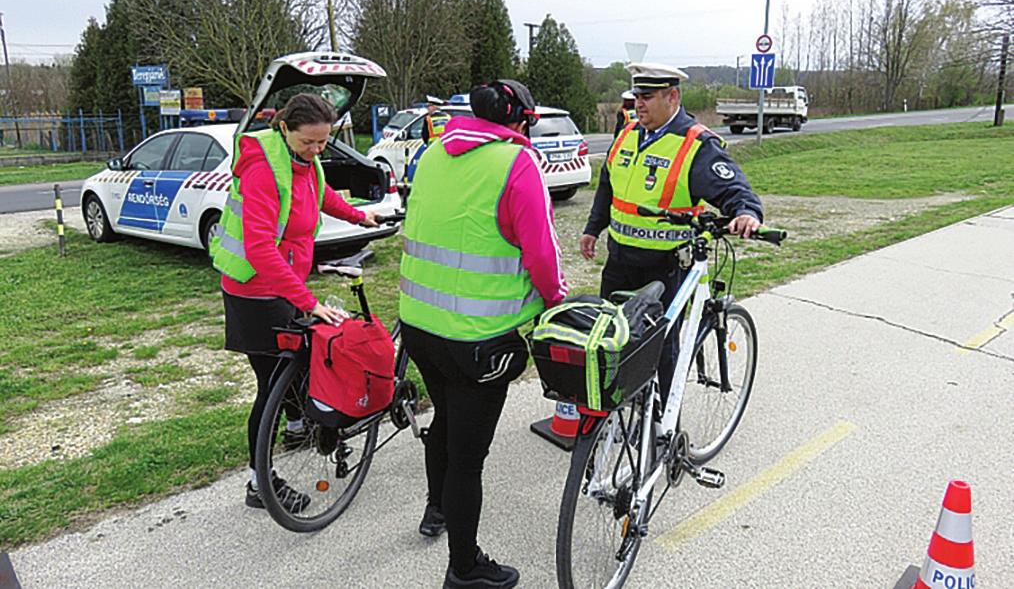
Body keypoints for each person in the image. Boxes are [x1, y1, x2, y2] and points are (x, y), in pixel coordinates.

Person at [399, 80, 567, 589]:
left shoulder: (432, 153)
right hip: (481, 337)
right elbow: (541, 253)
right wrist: (558, 301)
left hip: (418, 324)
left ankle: (436, 510)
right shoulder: (516, 164)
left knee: (444, 422)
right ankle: (465, 567)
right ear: (522, 120)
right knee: (469, 458)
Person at [211, 92, 379, 511]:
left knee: (295, 365)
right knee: (270, 385)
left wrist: (363, 216)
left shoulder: (303, 161)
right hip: (255, 290)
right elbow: (260, 248)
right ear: (284, 128)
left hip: (282, 284)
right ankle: (258, 482)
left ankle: (297, 425)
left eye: (324, 142)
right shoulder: (264, 170)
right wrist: (308, 301)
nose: (318, 149)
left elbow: (321, 196)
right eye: (310, 142)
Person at [580, 63, 762, 402]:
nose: (639, 104)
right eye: (636, 96)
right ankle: (617, 410)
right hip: (620, 259)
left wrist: (746, 212)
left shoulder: (695, 144)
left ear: (672, 96)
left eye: (647, 97)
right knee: (613, 337)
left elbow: (733, 187)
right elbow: (608, 185)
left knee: (659, 346)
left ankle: (664, 420)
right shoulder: (627, 134)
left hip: (664, 266)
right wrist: (593, 228)